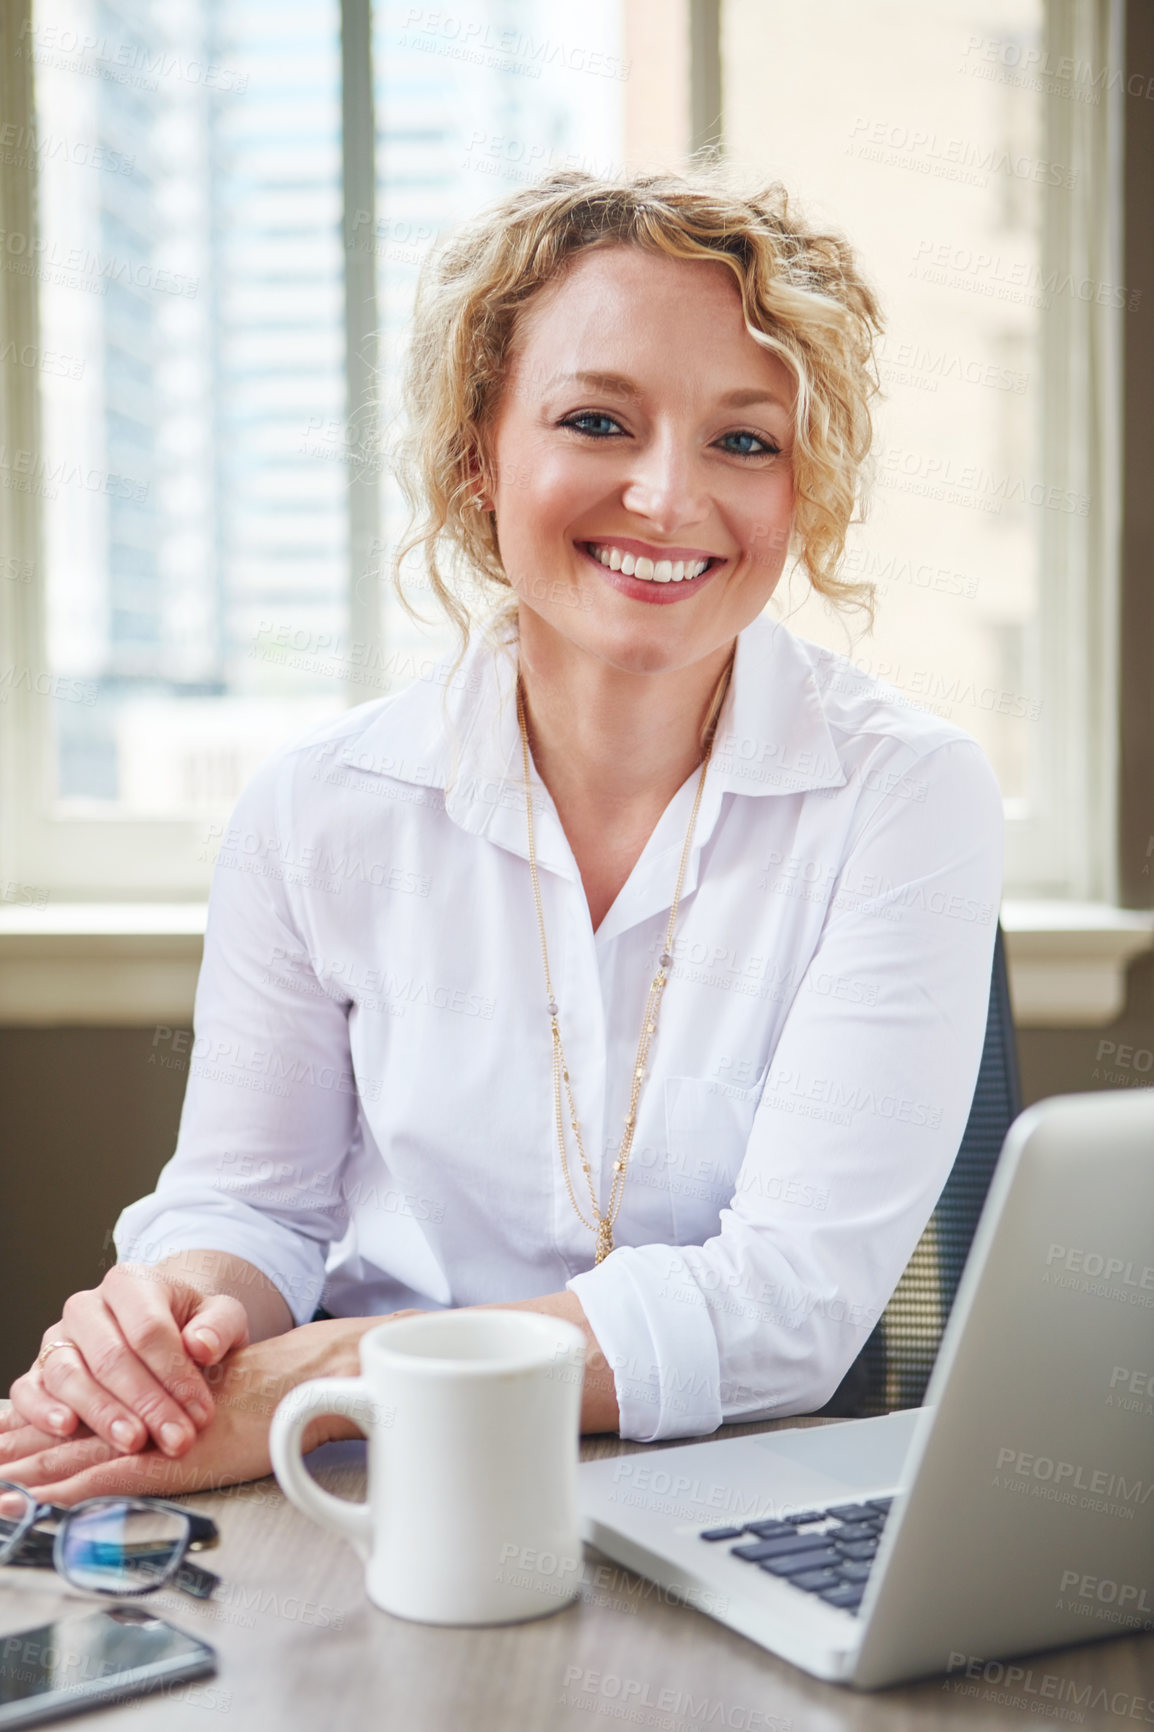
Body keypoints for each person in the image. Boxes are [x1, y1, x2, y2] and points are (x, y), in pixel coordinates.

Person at [1, 169, 1002, 1503]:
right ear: (478, 449)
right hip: (345, 1488)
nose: (664, 497)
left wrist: (316, 1375)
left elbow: (789, 1311)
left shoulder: (903, 795)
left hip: (720, 1491)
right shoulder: (315, 807)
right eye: (597, 419)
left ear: (799, 488)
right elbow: (254, 1206)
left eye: (744, 441)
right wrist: (172, 1338)